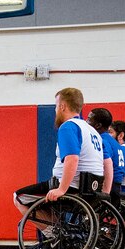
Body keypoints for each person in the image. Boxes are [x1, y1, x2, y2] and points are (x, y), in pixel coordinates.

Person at [13, 87, 104, 218]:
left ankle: (52, 234)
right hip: (92, 189)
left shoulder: (68, 127)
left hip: (73, 188)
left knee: (18, 197)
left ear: (62, 106)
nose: (55, 111)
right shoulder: (92, 131)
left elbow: (72, 159)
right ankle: (57, 232)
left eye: (56, 106)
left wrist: (61, 189)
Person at [86, 107, 120, 203]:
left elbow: (107, 163)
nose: (85, 121)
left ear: (98, 125)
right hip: (117, 185)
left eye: (89, 119)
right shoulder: (115, 143)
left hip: (109, 185)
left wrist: (105, 193)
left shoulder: (102, 140)